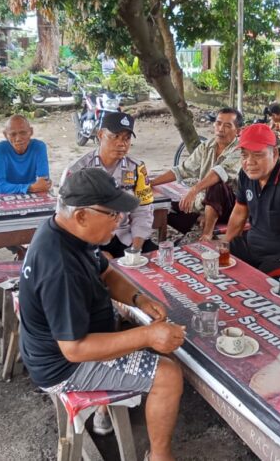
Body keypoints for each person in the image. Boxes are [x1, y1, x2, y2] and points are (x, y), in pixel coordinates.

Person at [19, 168, 184, 461]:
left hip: (66, 345)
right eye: (112, 214)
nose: (120, 220)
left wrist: (138, 298)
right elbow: (75, 349)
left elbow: (106, 272)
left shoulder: (68, 231)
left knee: (142, 333)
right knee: (168, 374)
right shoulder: (60, 268)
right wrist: (146, 334)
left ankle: (109, 410)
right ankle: (160, 456)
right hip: (63, 367)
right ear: (82, 215)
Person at [224, 124, 280, 274]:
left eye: (258, 155)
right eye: (244, 155)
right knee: (217, 262)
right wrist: (225, 249)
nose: (249, 162)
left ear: (274, 153)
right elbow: (239, 213)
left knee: (266, 286)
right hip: (253, 246)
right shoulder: (246, 175)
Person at [61, 111, 155, 257]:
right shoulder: (78, 170)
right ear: (100, 135)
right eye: (115, 136)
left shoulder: (137, 168)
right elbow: (67, 218)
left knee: (157, 261)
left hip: (126, 236)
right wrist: (96, 252)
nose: (121, 143)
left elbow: (143, 211)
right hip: (91, 239)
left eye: (127, 138)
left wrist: (135, 249)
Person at [150, 107, 242, 240]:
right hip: (207, 202)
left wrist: (194, 190)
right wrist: (152, 182)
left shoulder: (239, 150)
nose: (221, 129)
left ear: (238, 131)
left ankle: (207, 234)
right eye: (218, 123)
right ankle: (202, 216)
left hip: (231, 208)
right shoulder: (207, 146)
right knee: (166, 206)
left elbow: (219, 173)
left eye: (227, 126)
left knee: (216, 184)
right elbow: (183, 169)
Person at [0, 115, 51, 195]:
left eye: (23, 133)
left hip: (33, 195)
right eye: (13, 134)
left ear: (31, 132)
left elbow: (44, 183)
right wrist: (30, 188)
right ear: (5, 135)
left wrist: (36, 186)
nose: (18, 138)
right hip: (8, 197)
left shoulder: (39, 147)